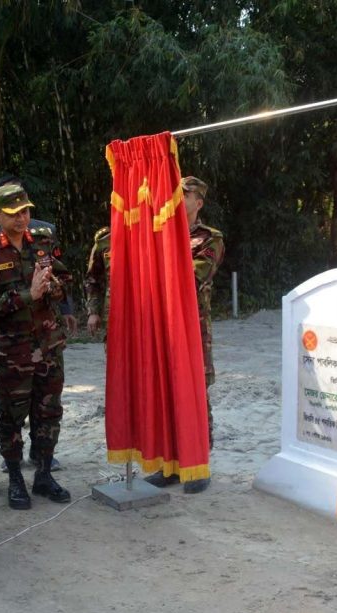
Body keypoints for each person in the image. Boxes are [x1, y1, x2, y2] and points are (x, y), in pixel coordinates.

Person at [0, 184, 72, 510]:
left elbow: (64, 279)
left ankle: (43, 473)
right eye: (13, 213)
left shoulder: (43, 240)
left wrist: (53, 286)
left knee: (49, 411)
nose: (22, 218)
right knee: (12, 416)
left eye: (25, 211)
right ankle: (15, 477)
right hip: (11, 350)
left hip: (48, 343)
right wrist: (30, 294)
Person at [145, 175, 224, 494]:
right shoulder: (159, 232)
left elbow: (192, 278)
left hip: (193, 327)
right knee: (166, 389)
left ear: (198, 203)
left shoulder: (209, 238)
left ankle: (198, 463)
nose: (178, 199)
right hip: (162, 324)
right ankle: (171, 465)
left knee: (194, 391)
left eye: (185, 194)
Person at [84, 225, 111, 337]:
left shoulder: (154, 234)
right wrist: (93, 312)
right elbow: (93, 279)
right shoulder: (104, 241)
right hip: (114, 314)